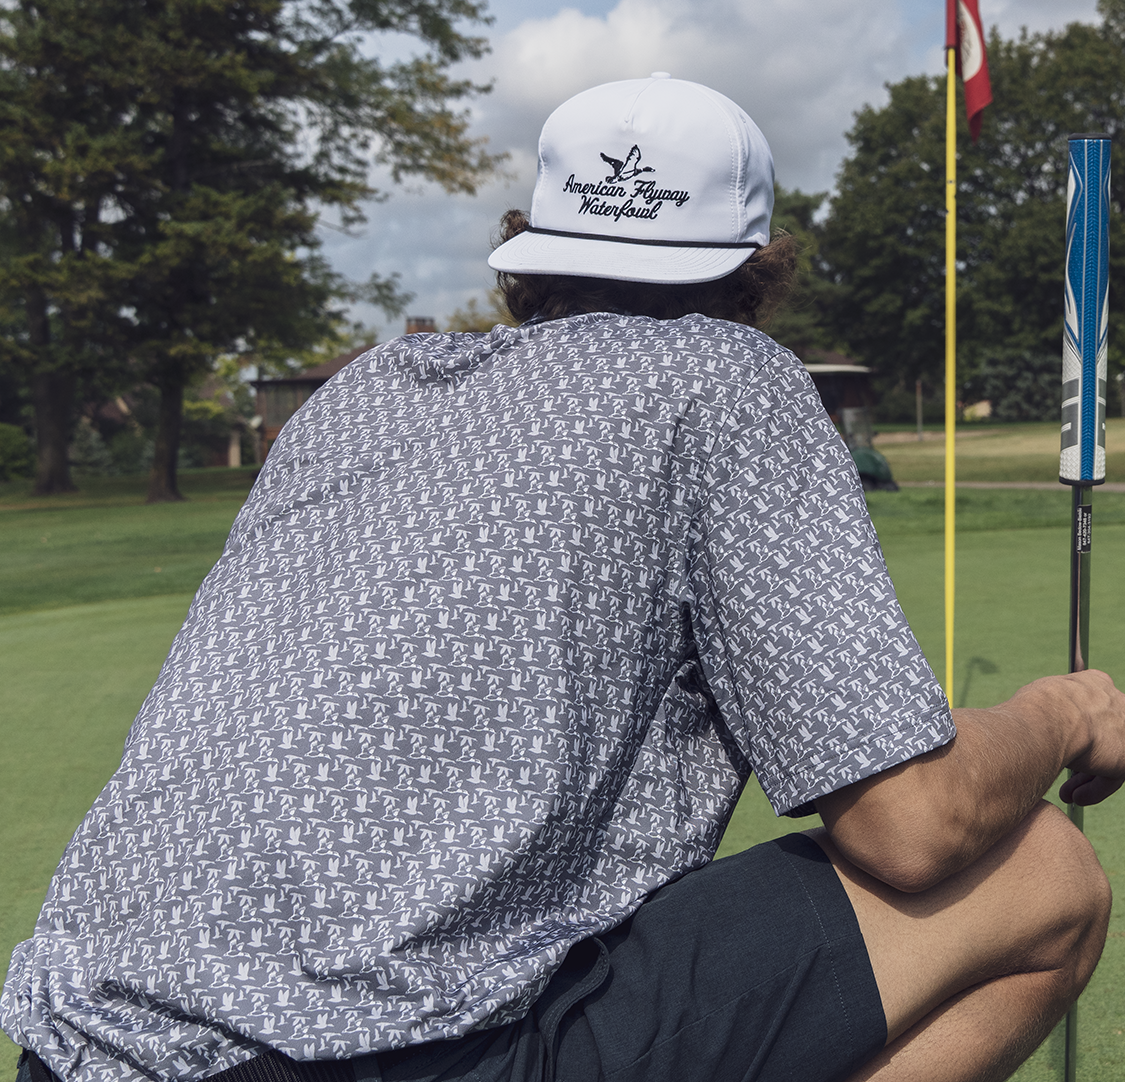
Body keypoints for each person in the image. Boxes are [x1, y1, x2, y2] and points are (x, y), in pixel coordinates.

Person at [2, 74, 1122, 1082]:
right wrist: (1059, 712)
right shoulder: (725, 377)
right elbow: (912, 825)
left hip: (76, 1046)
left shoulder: (364, 389)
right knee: (1042, 875)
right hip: (388, 1056)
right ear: (756, 271)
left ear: (526, 251)